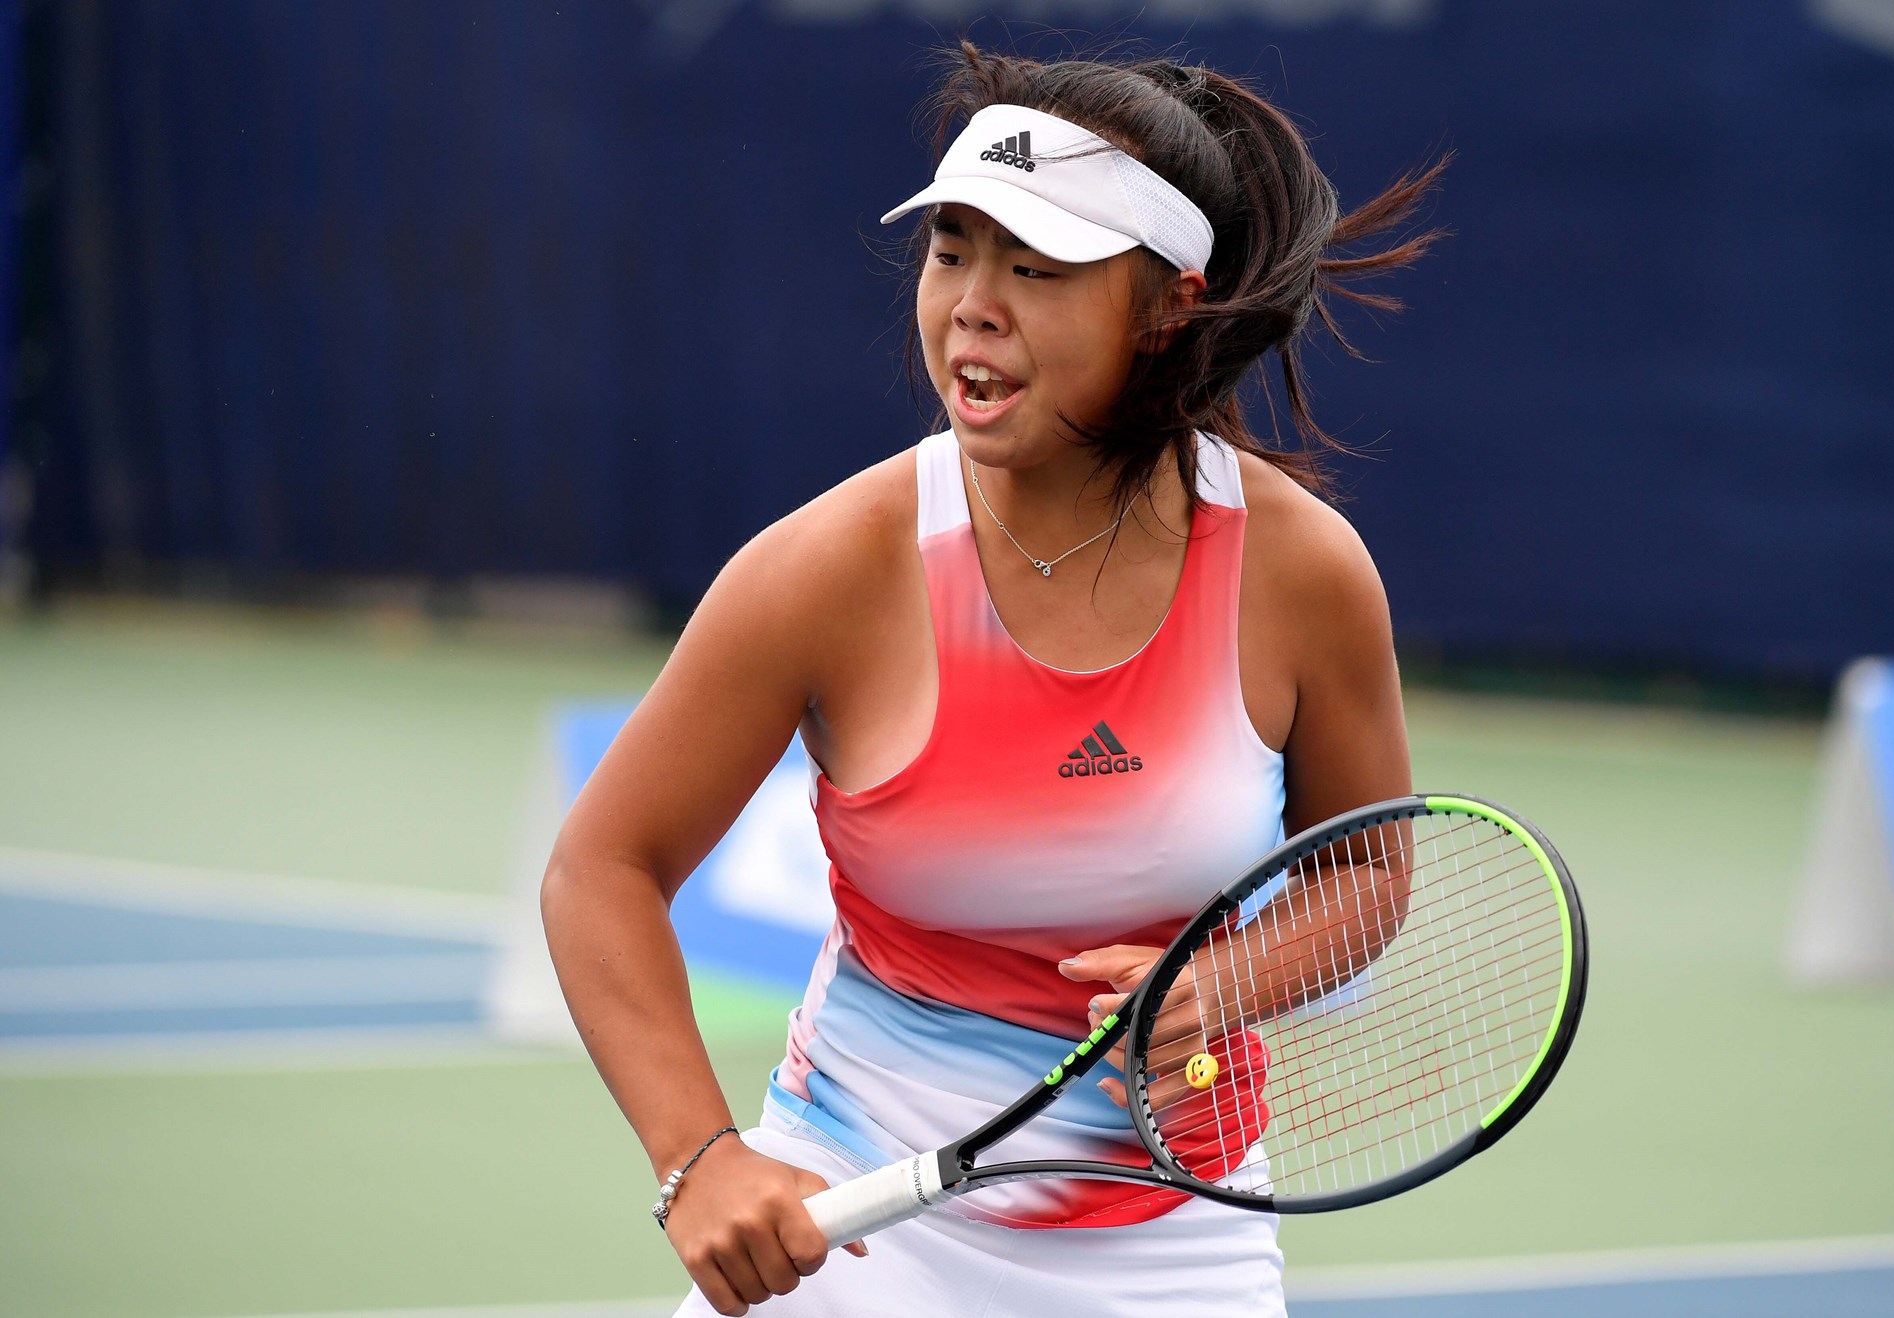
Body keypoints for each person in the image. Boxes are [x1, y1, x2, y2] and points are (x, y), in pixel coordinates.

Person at [541, 42, 1442, 1318]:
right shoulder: (825, 571)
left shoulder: (1300, 573)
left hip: (1175, 1231)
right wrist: (699, 1157)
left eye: (1037, 268)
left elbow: (1365, 868)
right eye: (951, 249)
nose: (972, 303)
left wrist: (1227, 982)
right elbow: (602, 868)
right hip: (853, 1210)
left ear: (1167, 304)